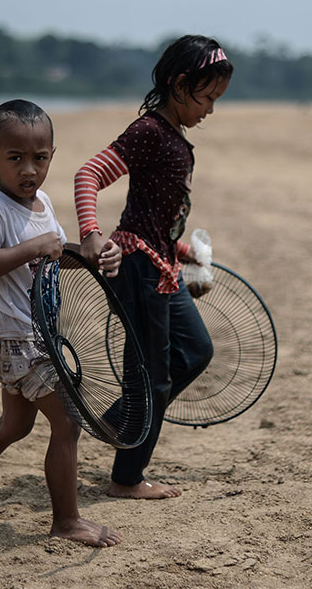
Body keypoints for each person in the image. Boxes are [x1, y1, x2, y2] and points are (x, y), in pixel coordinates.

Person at [0, 99, 123, 547]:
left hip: (36, 336)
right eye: (15, 159)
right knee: (69, 421)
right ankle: (67, 521)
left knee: (13, 426)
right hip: (19, 337)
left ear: (53, 155)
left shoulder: (42, 203)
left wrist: (89, 255)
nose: (29, 170)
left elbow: (52, 256)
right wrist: (35, 246)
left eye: (40, 158)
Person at [75, 35, 233, 499]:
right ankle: (126, 479)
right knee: (152, 375)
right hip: (138, 268)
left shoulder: (174, 139)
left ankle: (121, 416)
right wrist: (90, 235)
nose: (209, 110)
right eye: (206, 98)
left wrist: (184, 252)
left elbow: (153, 217)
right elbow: (89, 175)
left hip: (161, 262)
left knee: (197, 351)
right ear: (179, 86)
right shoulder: (148, 131)